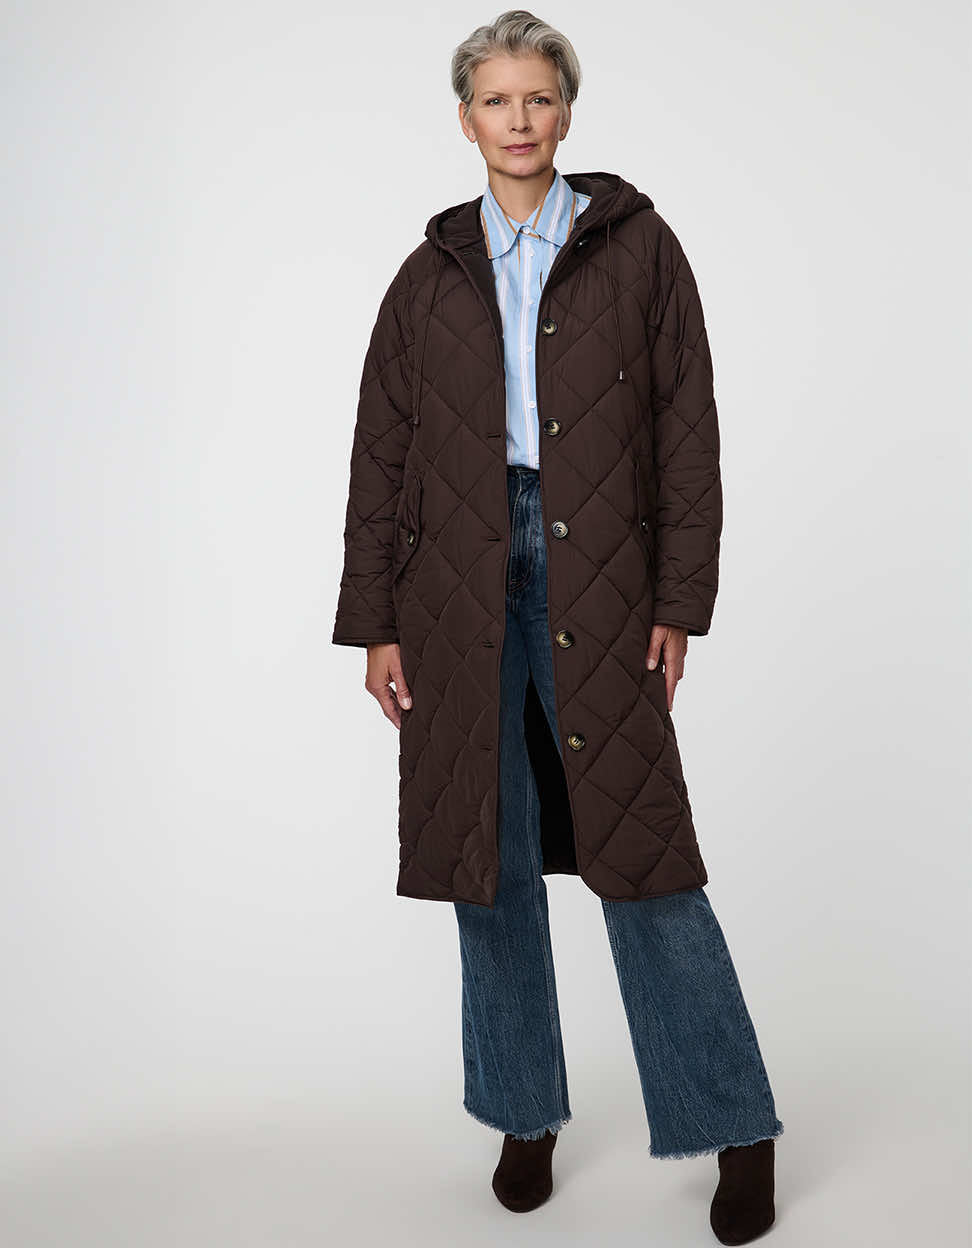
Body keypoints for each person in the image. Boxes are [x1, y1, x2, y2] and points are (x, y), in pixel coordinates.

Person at [332, 10, 783, 1243]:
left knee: (644, 859)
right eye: (497, 100)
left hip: (602, 575)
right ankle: (522, 1111)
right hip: (455, 584)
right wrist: (376, 622)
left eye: (538, 98)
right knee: (487, 858)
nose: (519, 120)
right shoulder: (427, 277)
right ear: (465, 119)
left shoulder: (640, 253)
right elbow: (381, 457)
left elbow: (687, 433)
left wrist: (679, 601)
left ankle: (737, 1124)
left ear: (567, 112)